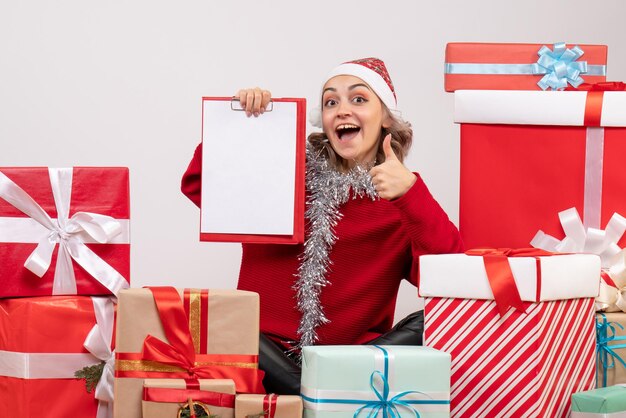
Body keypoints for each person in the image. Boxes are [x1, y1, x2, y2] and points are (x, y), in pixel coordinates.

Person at [181, 57, 464, 394]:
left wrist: (412, 195)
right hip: (264, 357)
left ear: (386, 117)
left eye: (358, 99)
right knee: (225, 324)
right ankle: (321, 394)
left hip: (349, 360)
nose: (342, 110)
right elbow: (200, 185)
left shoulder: (401, 201)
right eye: (331, 101)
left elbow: (455, 278)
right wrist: (244, 127)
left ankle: (318, 391)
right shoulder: (284, 173)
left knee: (435, 321)